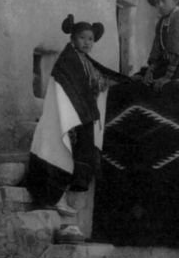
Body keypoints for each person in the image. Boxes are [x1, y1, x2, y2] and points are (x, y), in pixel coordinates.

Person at [27, 14, 128, 216]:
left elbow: (96, 82)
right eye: (82, 38)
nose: (87, 42)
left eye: (90, 39)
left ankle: (62, 198)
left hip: (77, 117)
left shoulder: (85, 61)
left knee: (73, 157)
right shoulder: (68, 61)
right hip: (65, 116)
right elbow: (65, 89)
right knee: (60, 154)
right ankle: (56, 199)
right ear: (72, 38)